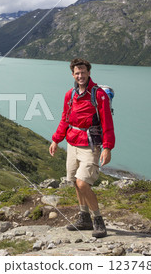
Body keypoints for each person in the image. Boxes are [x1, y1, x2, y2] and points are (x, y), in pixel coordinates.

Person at [49, 58, 115, 238]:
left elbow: (107, 123)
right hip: (72, 143)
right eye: (77, 73)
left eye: (83, 72)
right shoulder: (70, 95)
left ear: (89, 73)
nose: (80, 76)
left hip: (90, 145)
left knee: (82, 183)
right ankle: (84, 216)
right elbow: (65, 119)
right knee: (75, 182)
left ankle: (98, 219)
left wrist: (107, 147)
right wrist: (56, 140)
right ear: (73, 74)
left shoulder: (98, 95)